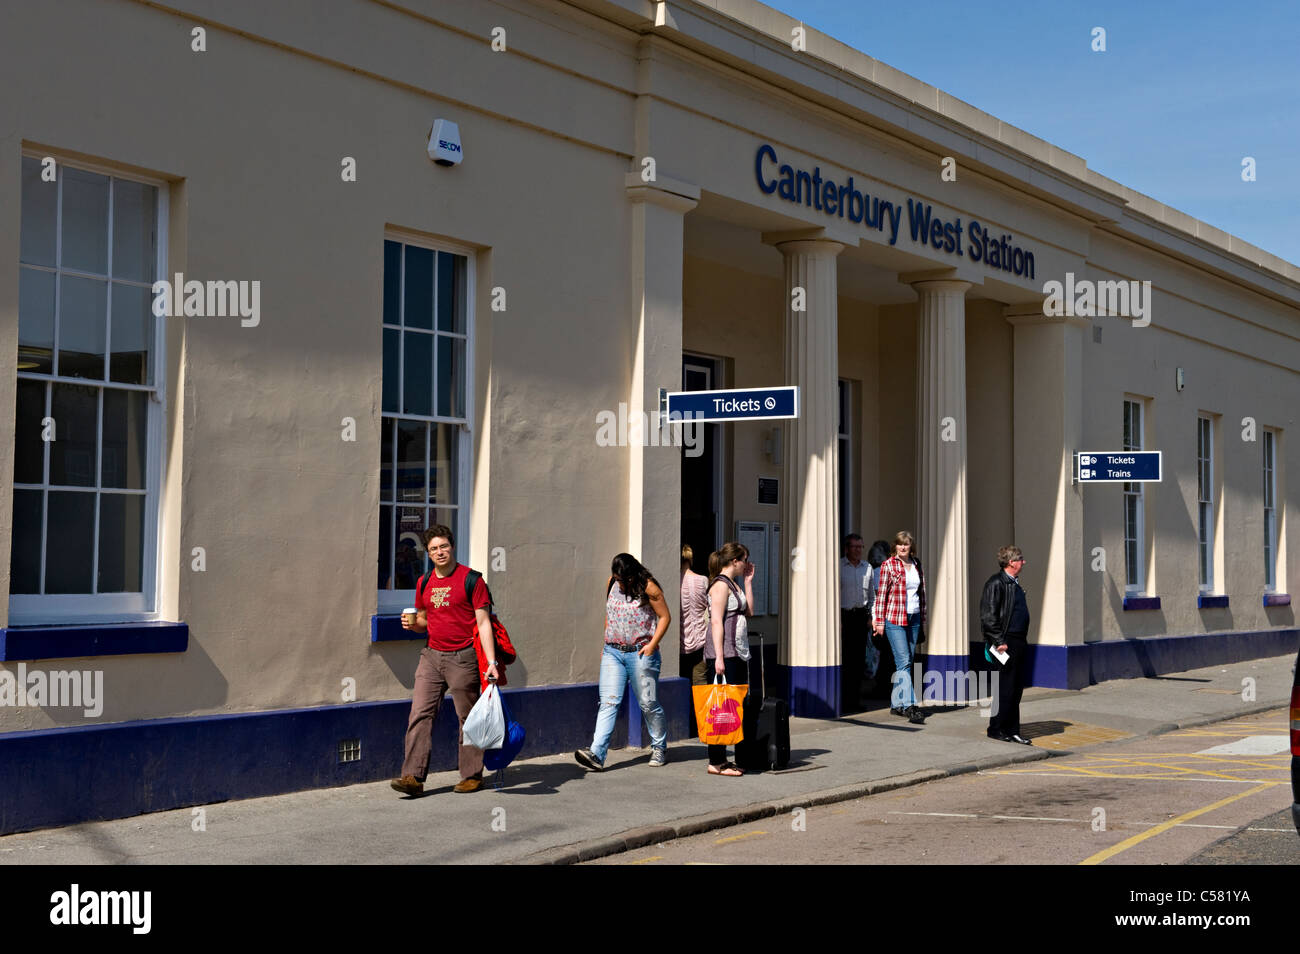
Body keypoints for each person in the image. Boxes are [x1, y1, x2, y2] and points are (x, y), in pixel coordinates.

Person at [391, 524, 499, 796]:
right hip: (431, 655)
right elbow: (425, 619)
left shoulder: (471, 580)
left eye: (443, 546)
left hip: (463, 657)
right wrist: (413, 625)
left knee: (468, 718)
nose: (439, 552)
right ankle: (412, 778)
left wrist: (492, 663)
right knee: (420, 713)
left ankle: (472, 775)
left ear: (452, 546)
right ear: (428, 553)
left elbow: (484, 623)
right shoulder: (424, 582)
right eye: (433, 549)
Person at [575, 553, 671, 771]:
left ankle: (659, 746)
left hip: (641, 653)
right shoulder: (612, 584)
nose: (619, 583)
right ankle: (597, 754)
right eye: (616, 578)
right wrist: (606, 642)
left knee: (648, 702)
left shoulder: (649, 587)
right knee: (608, 702)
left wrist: (652, 645)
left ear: (632, 575)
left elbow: (665, 617)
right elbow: (610, 614)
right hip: (613, 652)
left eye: (623, 579)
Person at [698, 542, 754, 776]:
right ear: (734, 561)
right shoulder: (720, 586)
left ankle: (732, 758)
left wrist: (749, 583)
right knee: (720, 707)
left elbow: (749, 611)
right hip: (725, 653)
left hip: (738, 651)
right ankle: (717, 760)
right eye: (744, 560)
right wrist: (719, 658)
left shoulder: (734, 584)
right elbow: (716, 621)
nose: (746, 564)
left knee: (737, 706)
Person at [871, 531, 927, 724]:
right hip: (894, 618)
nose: (903, 547)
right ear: (895, 546)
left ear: (911, 547)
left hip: (914, 617)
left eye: (907, 544)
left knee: (907, 661)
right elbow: (881, 596)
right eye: (900, 544)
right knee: (903, 661)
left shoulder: (917, 564)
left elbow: (921, 592)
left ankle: (896, 704)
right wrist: (879, 621)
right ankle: (911, 705)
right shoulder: (888, 565)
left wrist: (923, 615)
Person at [981, 545, 1033, 745]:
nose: (1023, 562)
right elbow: (988, 616)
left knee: (1016, 688)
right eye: (1020, 559)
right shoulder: (996, 583)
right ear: (1011, 562)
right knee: (1005, 688)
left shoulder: (1014, 583)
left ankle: (1012, 730)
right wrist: (999, 641)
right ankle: (996, 728)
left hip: (1018, 641)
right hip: (1005, 642)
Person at [679, 544, 710, 734]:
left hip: (679, 641)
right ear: (690, 558)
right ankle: (703, 726)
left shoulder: (673, 581)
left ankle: (685, 725)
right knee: (701, 684)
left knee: (681, 683)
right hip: (701, 639)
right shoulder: (703, 580)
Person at [839, 533, 872, 712]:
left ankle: (855, 701)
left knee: (858, 662)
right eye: (855, 547)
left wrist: (871, 617)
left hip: (860, 617)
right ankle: (843, 701)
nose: (858, 550)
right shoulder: (838, 567)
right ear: (847, 548)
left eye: (861, 547)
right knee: (845, 660)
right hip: (844, 617)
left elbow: (872, 597)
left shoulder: (867, 568)